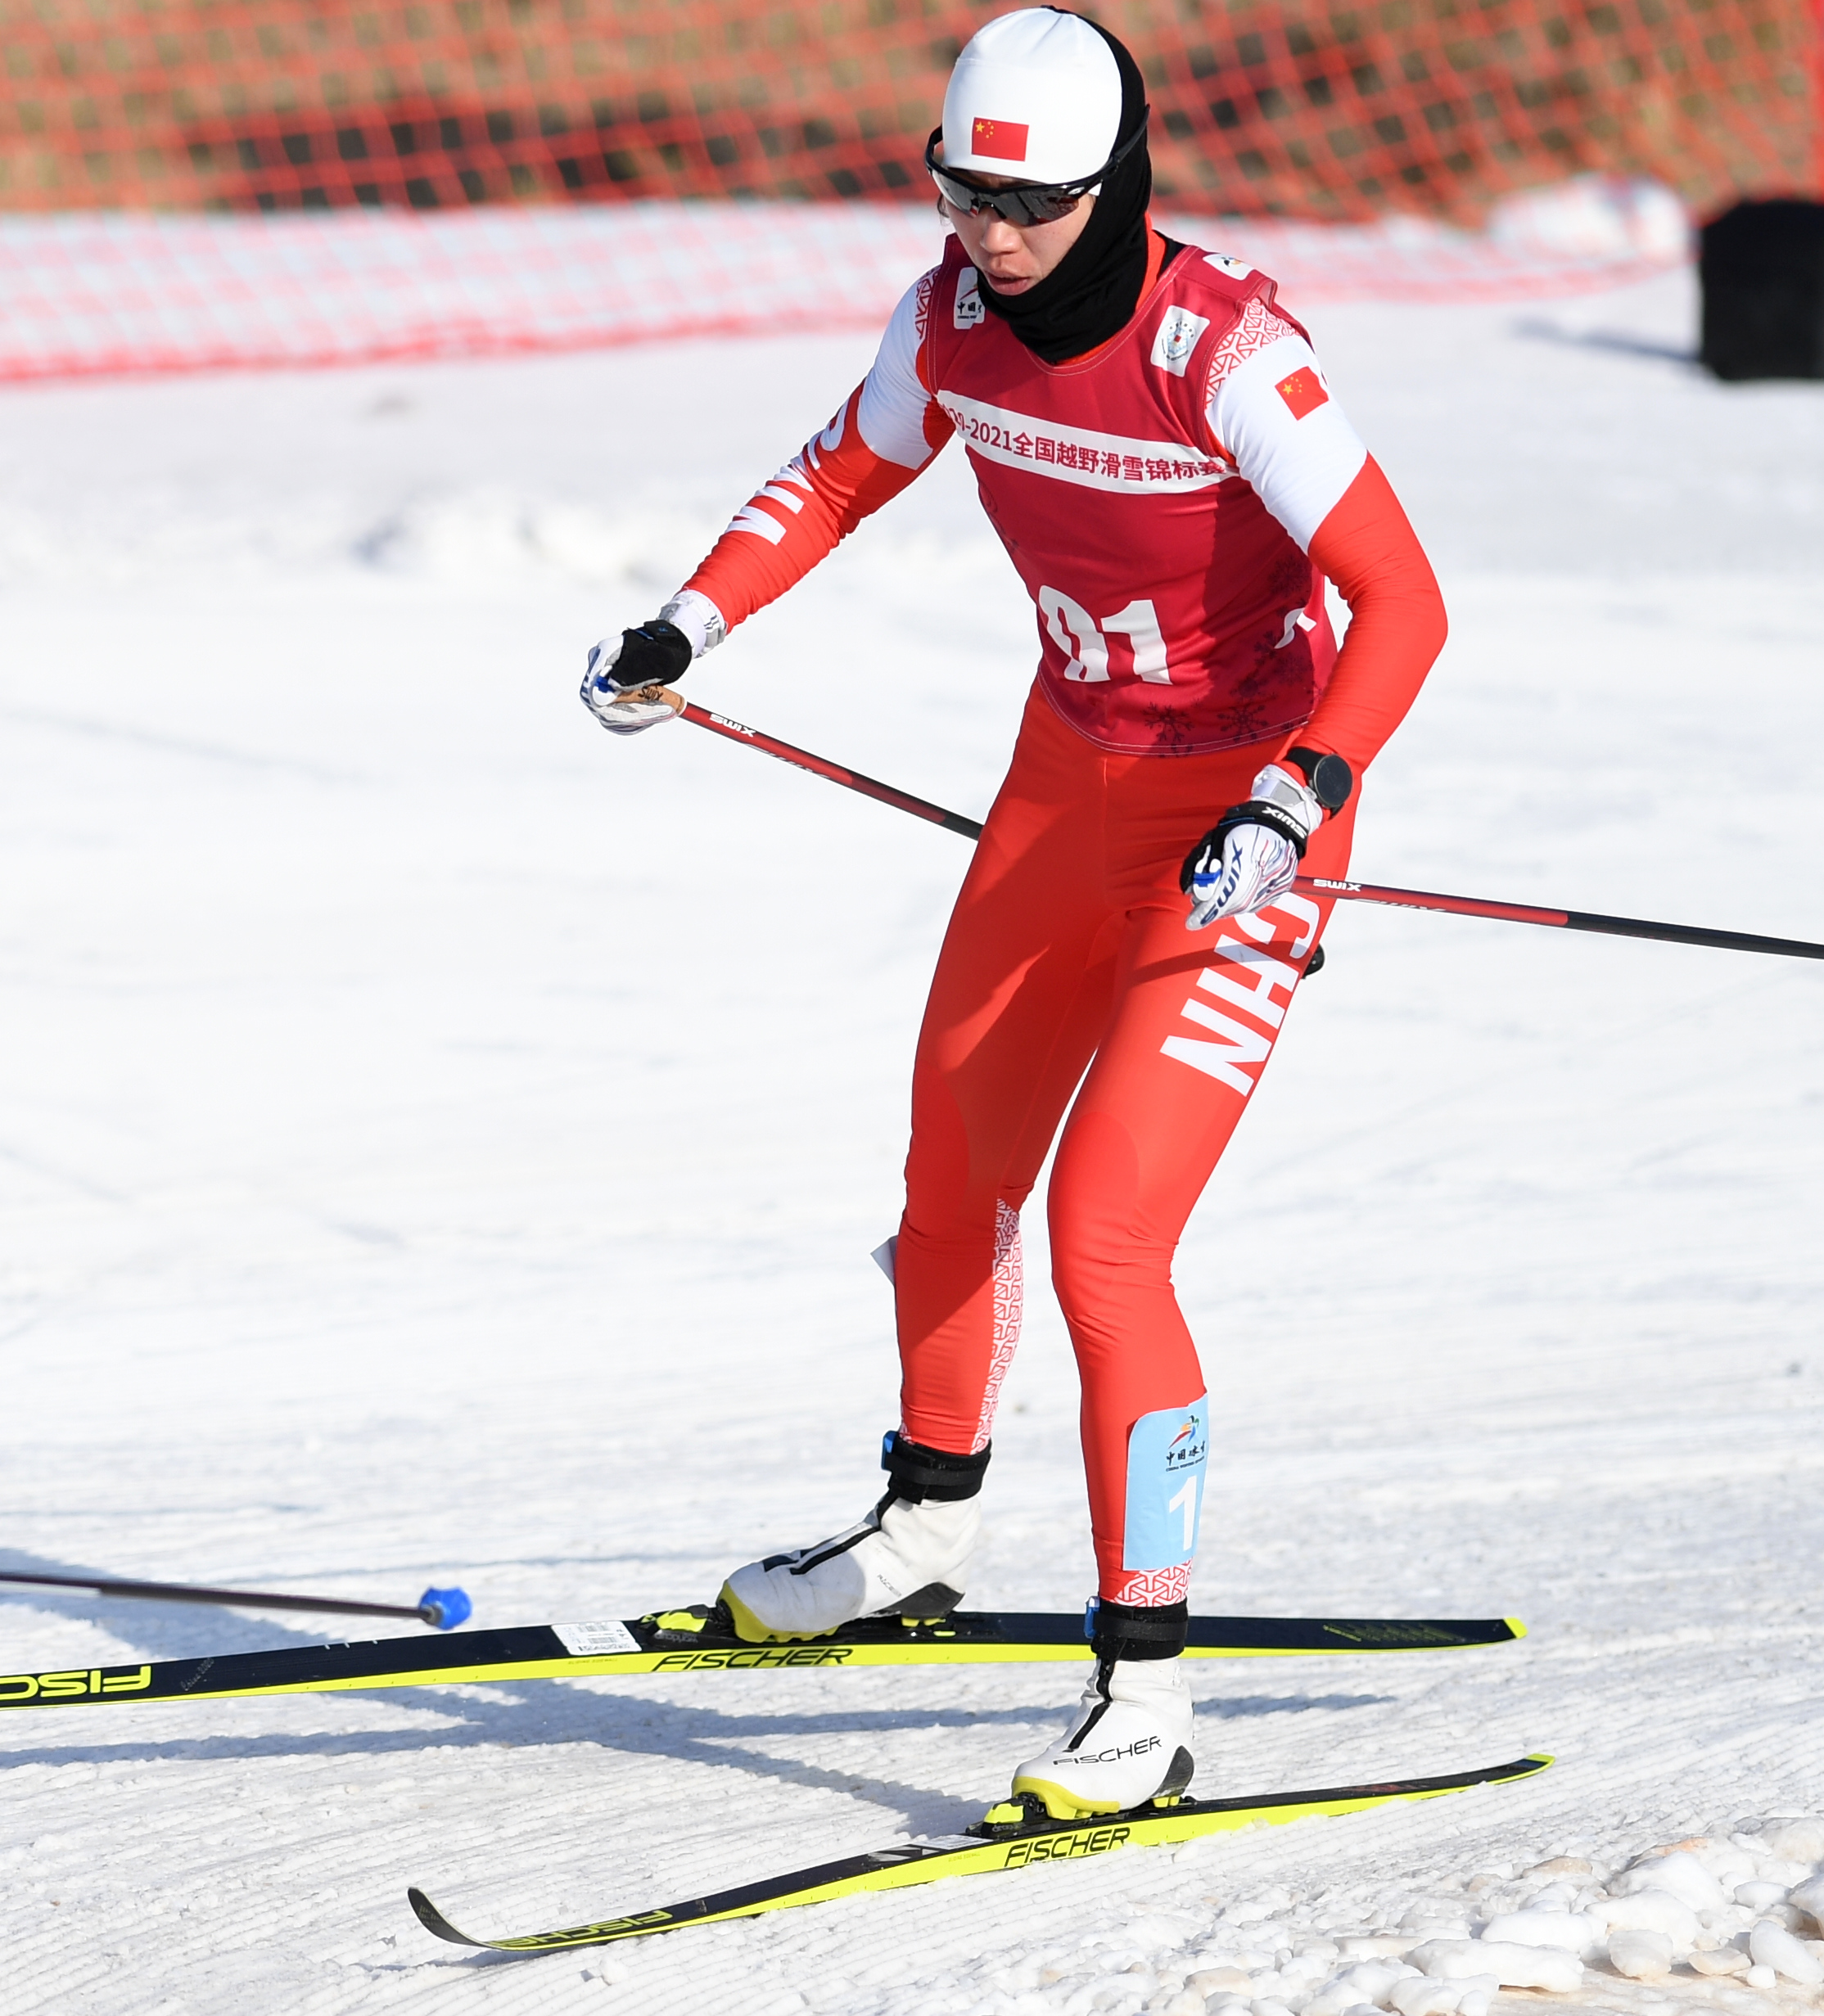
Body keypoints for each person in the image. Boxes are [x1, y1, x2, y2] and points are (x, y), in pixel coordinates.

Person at [579, 7, 1445, 1817]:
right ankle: (922, 1523)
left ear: (1114, 185)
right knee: (950, 1159)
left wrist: (1306, 793)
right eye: (963, 190)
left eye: (1030, 202)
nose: (990, 231)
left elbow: (1404, 602)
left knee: (1108, 1234)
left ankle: (1145, 1689)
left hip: (1243, 815)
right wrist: (691, 621)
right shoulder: (949, 321)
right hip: (1067, 788)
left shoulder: (1230, 352)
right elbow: (838, 469)